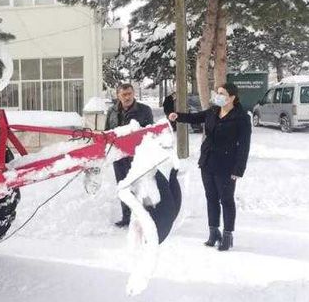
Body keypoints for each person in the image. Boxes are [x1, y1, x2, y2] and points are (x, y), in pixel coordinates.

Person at [168, 83, 251, 251]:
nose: (218, 96)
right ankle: (213, 232)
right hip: (207, 162)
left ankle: (227, 234)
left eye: (222, 93)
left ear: (232, 97)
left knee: (226, 200)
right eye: (217, 93)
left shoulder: (241, 117)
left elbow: (244, 146)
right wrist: (178, 116)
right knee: (211, 198)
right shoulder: (213, 111)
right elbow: (195, 117)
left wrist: (238, 170)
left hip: (227, 166)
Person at [104, 83, 154, 227]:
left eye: (129, 94)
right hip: (118, 156)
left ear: (134, 94)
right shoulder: (112, 111)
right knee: (123, 187)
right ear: (118, 95)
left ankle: (145, 218)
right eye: (124, 94)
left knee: (141, 186)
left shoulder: (144, 110)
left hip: (137, 156)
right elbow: (107, 131)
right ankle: (126, 217)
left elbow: (149, 133)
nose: (127, 97)